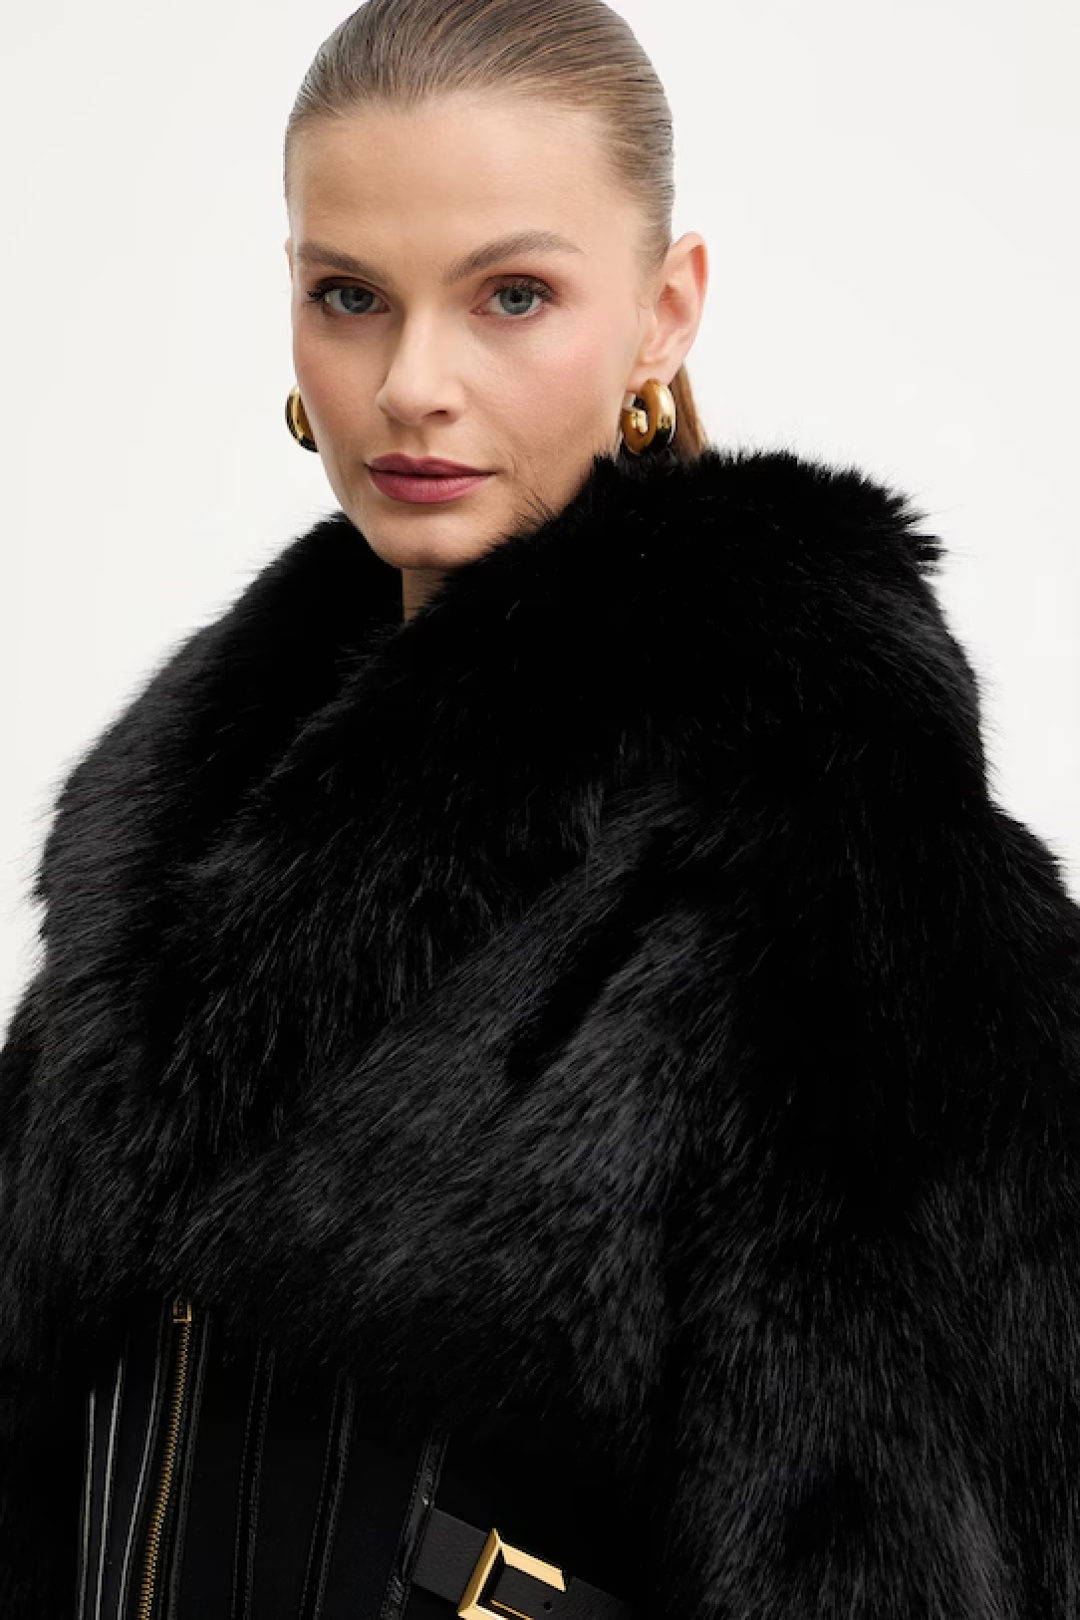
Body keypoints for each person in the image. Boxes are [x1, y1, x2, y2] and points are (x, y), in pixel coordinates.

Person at [3, 0, 1080, 1615]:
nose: (411, 384)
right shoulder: (181, 822)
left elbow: (883, 1549)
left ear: (664, 312)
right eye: (350, 297)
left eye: (513, 296)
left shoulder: (823, 858)